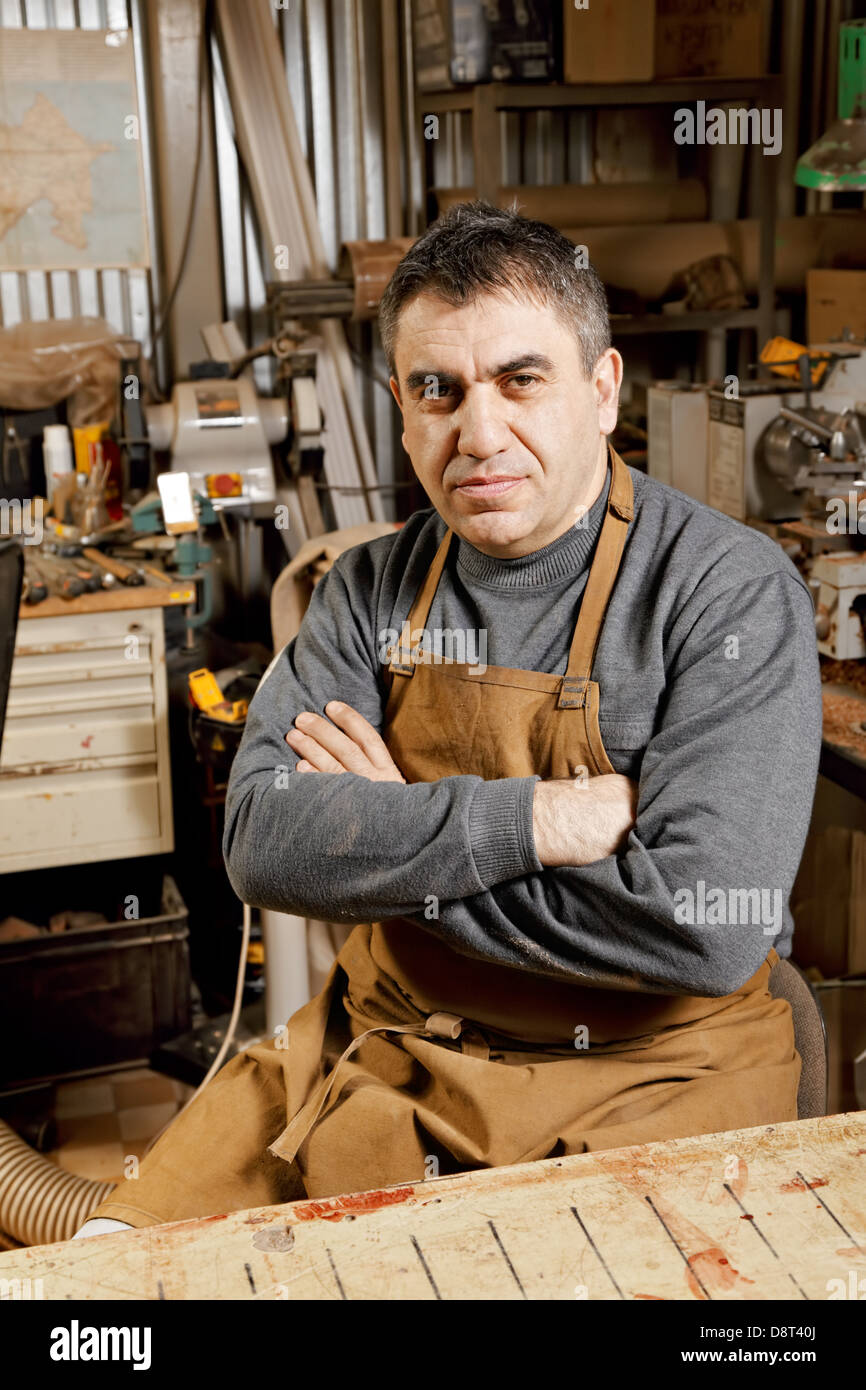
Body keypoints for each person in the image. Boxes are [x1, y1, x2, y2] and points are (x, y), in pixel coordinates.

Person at [82, 202, 821, 1234]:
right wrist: (536, 823)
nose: (477, 434)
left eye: (521, 380)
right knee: (115, 1265)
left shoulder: (725, 593)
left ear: (602, 390)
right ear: (400, 406)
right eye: (438, 390)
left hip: (649, 1075)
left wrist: (394, 851)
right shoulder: (369, 591)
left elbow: (704, 926)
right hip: (391, 1045)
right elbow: (260, 844)